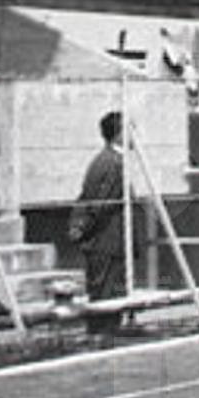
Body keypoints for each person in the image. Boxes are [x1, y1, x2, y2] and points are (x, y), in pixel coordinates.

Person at [69, 111, 129, 315]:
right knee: (106, 298)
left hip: (104, 242)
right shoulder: (114, 163)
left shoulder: (105, 159)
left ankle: (104, 329)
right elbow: (101, 205)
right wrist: (84, 231)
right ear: (120, 134)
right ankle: (103, 331)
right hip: (106, 242)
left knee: (106, 295)